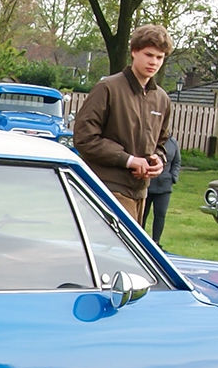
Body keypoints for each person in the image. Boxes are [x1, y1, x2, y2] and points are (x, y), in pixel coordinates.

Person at [71, 24, 173, 220]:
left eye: (159, 57)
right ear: (134, 52)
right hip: (107, 187)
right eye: (149, 55)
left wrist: (159, 160)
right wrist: (128, 160)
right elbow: (84, 138)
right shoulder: (107, 88)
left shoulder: (162, 99)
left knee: (132, 250)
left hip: (141, 192)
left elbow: (162, 142)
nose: (154, 62)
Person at [142, 134, 180, 245]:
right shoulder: (151, 139)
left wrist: (173, 177)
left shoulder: (173, 142)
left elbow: (177, 162)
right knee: (143, 213)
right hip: (148, 184)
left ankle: (156, 242)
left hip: (165, 186)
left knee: (160, 214)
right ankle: (139, 239)